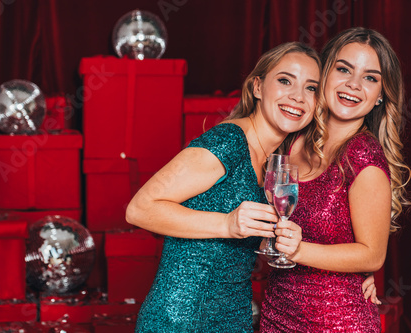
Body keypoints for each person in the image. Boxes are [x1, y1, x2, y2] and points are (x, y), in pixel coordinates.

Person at [126, 42, 319, 332]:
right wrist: (227, 224)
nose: (298, 96)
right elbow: (138, 209)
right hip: (180, 321)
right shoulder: (228, 142)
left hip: (233, 318)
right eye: (284, 80)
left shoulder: (276, 161)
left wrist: (360, 276)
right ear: (257, 87)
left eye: (311, 88)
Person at [260, 27, 411, 332]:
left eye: (370, 77)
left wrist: (299, 250)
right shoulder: (291, 137)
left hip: (336, 321)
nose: (354, 85)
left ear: (381, 95)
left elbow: (372, 255)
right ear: (324, 73)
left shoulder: (363, 157)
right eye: (344, 69)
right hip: (276, 312)